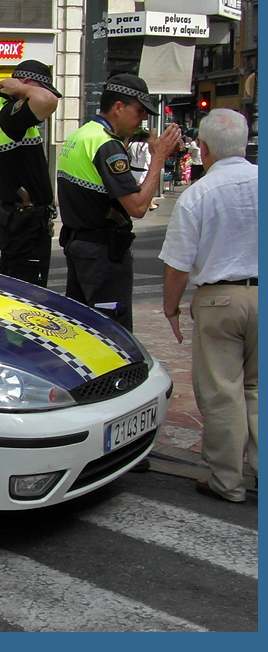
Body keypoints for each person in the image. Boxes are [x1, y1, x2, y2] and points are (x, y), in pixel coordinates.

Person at [159, 108, 257, 504]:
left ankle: (228, 481)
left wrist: (171, 309)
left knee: (222, 392)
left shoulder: (198, 193)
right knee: (257, 388)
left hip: (220, 300)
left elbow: (178, 264)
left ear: (205, 148)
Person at [56, 73, 181, 330]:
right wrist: (158, 158)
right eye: (139, 111)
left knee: (84, 329)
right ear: (118, 108)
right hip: (104, 255)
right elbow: (137, 207)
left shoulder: (81, 135)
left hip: (80, 247)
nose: (143, 118)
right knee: (113, 334)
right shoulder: (107, 145)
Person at [0, 59, 60, 287]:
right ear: (26, 82)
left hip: (18, 217)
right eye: (39, 87)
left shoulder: (0, 108)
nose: (40, 93)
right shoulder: (9, 113)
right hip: (26, 222)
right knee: (28, 291)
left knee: (14, 283)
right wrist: (23, 89)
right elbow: (48, 101)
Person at [127, 129, 159, 210]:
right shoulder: (146, 146)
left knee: (135, 189)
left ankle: (133, 204)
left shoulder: (132, 144)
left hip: (133, 169)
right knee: (147, 189)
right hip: (143, 171)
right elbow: (148, 159)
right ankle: (150, 204)